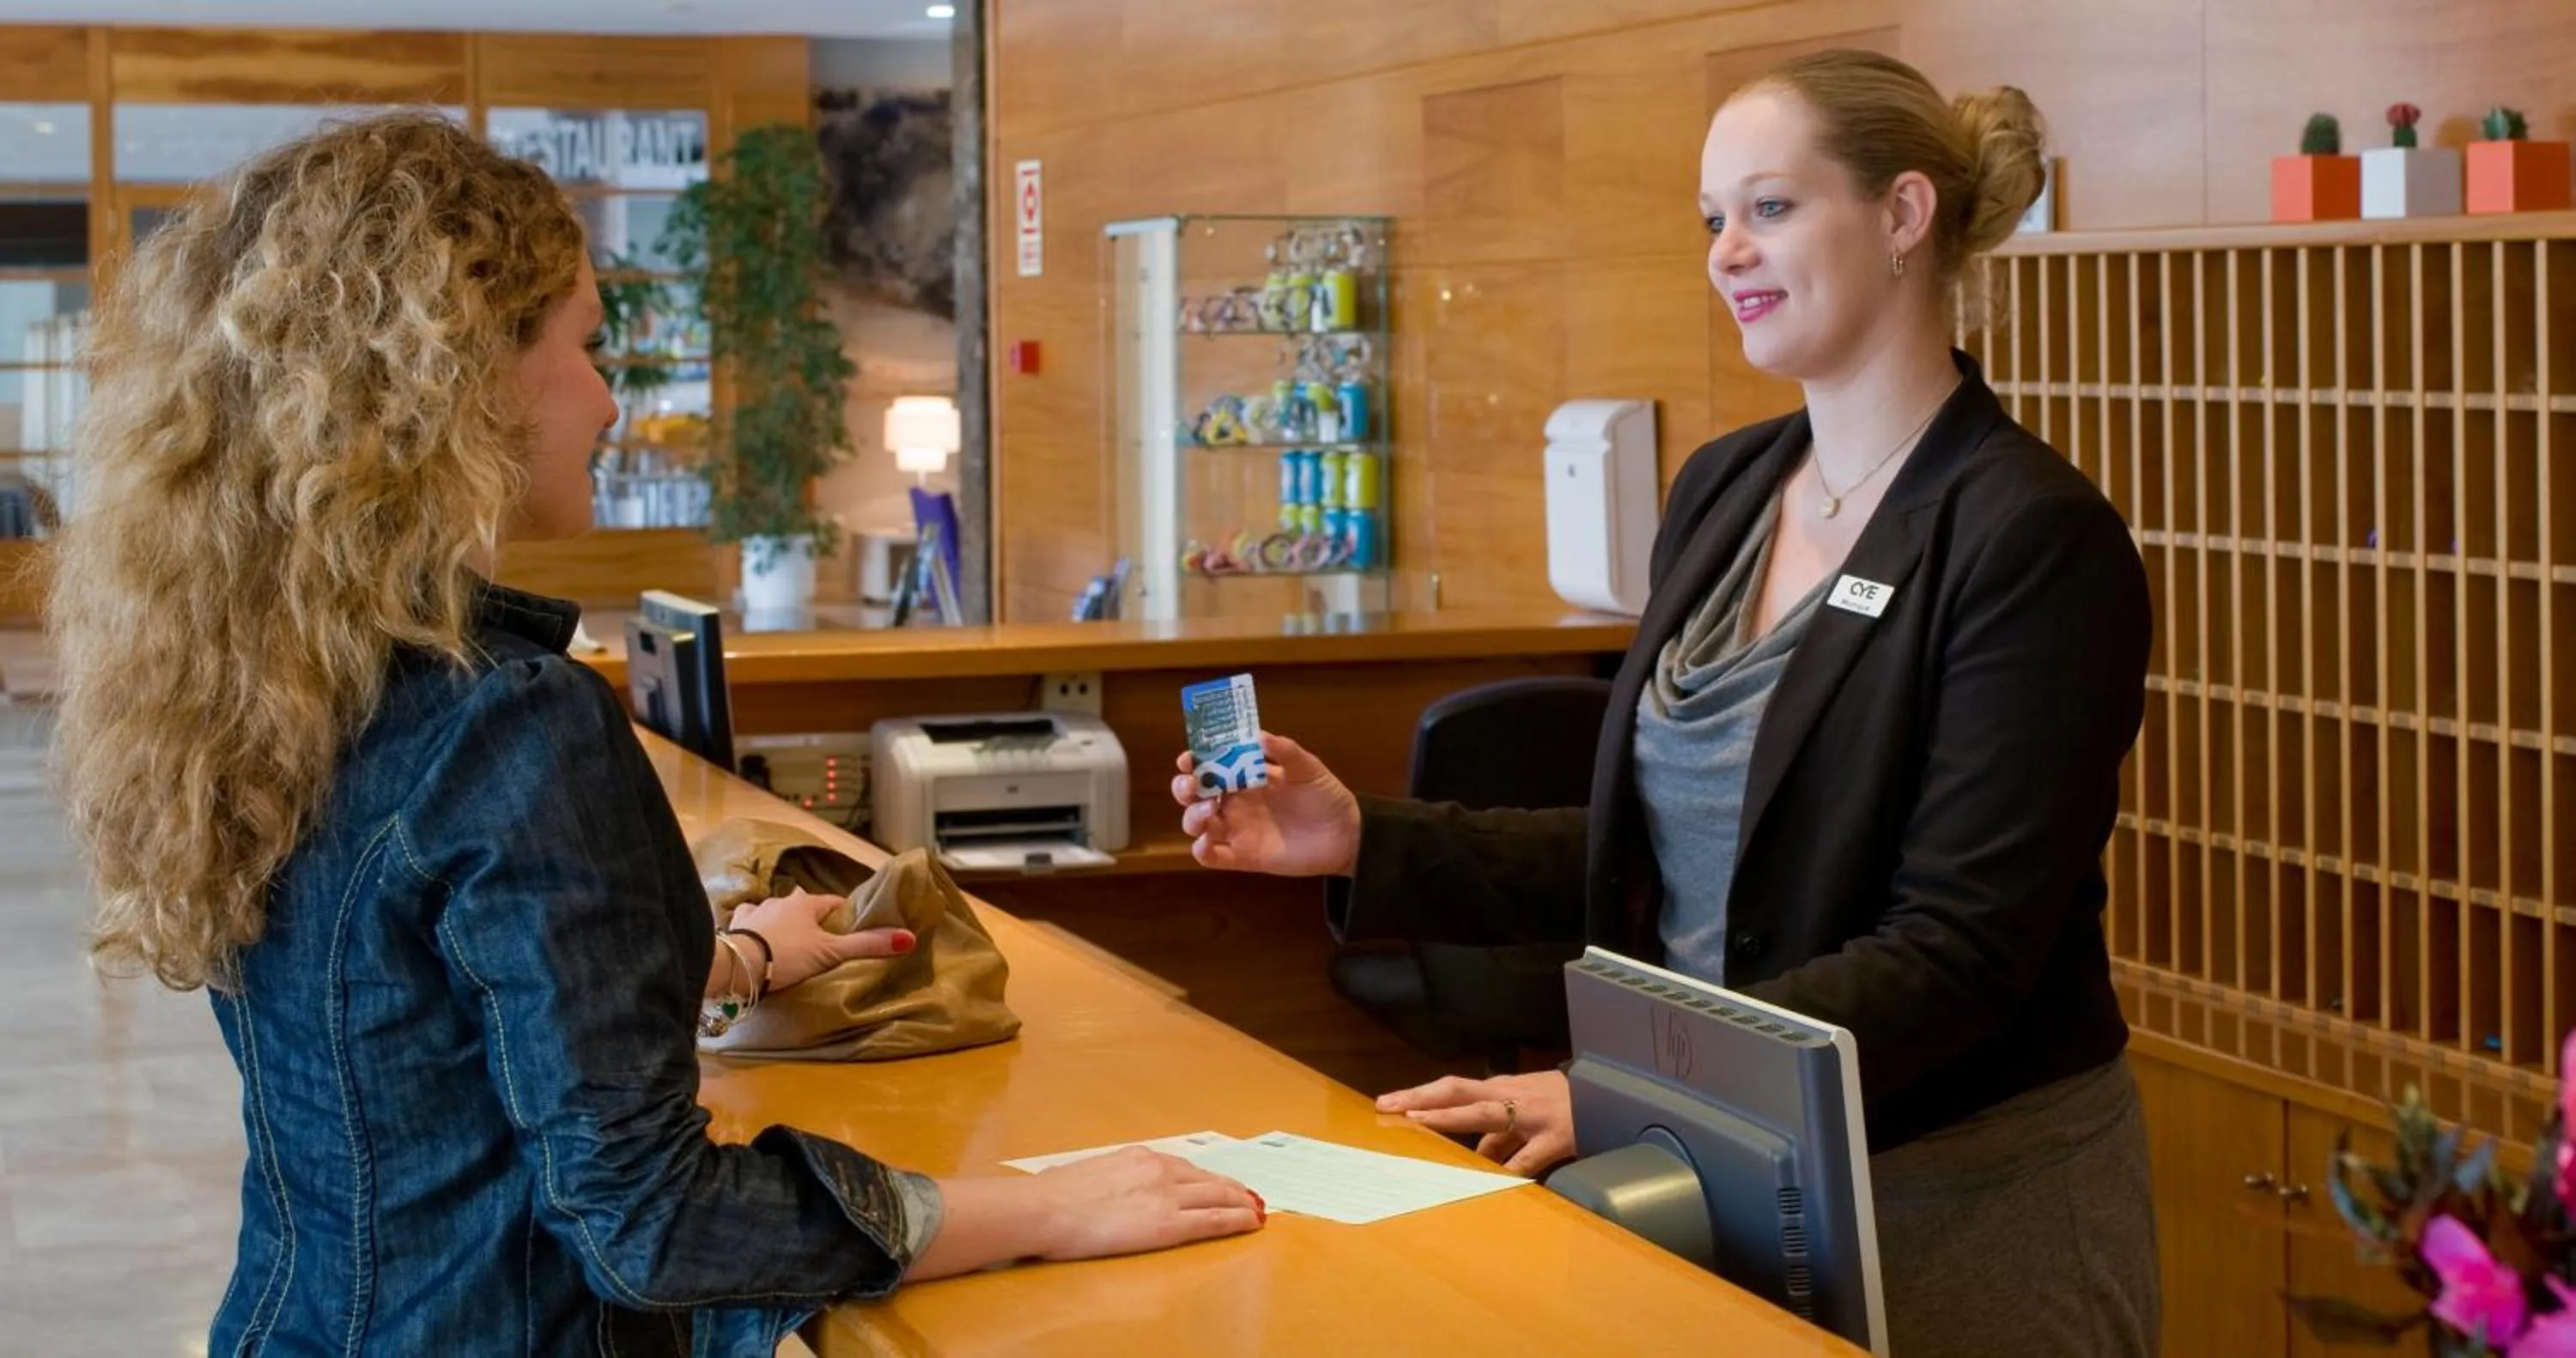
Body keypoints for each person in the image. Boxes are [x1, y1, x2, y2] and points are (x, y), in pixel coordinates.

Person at [46, 112, 1261, 1356]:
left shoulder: (279, 679)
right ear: (456, 380)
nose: (610, 401)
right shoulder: (509, 723)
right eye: (584, 345)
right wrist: (1046, 1206)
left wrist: (726, 962)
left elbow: (417, 1041)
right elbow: (655, 1224)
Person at [1174, 50, 2157, 1358]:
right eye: (1711, 221)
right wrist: (1362, 835)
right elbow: (1660, 854)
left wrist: (1630, 1098)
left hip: (1961, 1194)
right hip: (1725, 1170)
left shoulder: (2030, 536)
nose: (1727, 252)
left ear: (1906, 216)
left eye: (1770, 208)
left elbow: (1958, 954)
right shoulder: (1725, 488)